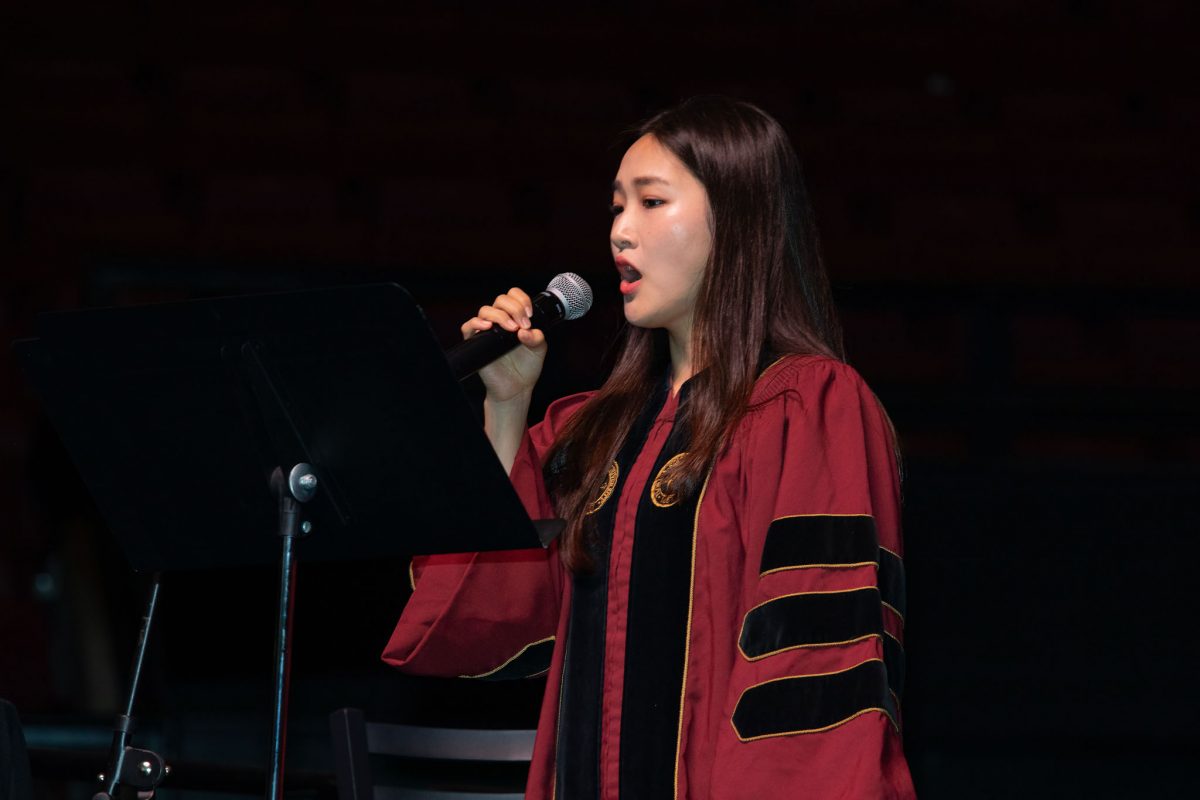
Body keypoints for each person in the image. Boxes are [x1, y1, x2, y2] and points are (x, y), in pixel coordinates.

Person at [383, 96, 916, 799]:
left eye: (651, 201)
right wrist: (506, 408)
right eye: (615, 208)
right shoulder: (596, 431)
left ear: (739, 219)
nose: (620, 233)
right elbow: (477, 622)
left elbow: (809, 699)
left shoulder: (808, 410)